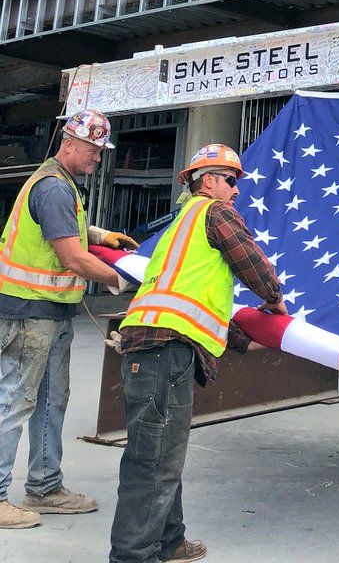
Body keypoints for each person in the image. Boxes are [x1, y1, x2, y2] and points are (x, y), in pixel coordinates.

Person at [108, 143, 288, 563]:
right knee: (152, 461)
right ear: (207, 181)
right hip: (164, 350)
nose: (237, 190)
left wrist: (244, 340)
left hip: (150, 346)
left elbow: (194, 297)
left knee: (159, 450)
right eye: (231, 179)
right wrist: (275, 300)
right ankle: (133, 555)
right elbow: (252, 261)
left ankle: (170, 541)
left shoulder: (179, 227)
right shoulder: (214, 212)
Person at [0, 109, 133, 530]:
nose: (98, 158)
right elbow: (71, 257)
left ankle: (45, 486)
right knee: (16, 404)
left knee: (52, 401)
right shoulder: (55, 188)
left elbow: (67, 231)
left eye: (100, 151)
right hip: (28, 312)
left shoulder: (58, 183)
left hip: (51, 313)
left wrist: (99, 235)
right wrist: (121, 279)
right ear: (70, 144)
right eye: (94, 150)